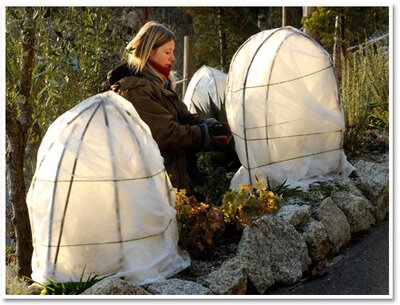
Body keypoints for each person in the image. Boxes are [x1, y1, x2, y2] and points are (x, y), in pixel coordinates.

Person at [103, 21, 231, 191]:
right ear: (149, 52)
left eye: (172, 51)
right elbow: (165, 133)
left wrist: (206, 124)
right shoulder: (135, 89)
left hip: (174, 178)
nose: (173, 58)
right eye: (167, 52)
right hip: (155, 184)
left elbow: (183, 116)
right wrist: (205, 133)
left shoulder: (160, 83)